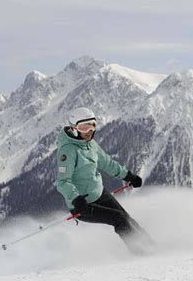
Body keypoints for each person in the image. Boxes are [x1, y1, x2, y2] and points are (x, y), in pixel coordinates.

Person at [56, 107, 149, 253]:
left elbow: (108, 163)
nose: (89, 131)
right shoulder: (68, 151)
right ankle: (142, 252)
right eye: (84, 127)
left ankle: (151, 245)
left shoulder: (90, 144)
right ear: (74, 128)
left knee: (127, 219)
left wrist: (129, 176)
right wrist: (76, 199)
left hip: (99, 193)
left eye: (92, 125)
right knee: (119, 218)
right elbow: (62, 182)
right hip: (82, 204)